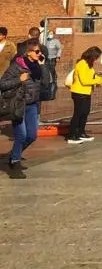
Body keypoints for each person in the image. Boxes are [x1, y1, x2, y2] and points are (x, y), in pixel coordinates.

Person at [1, 38, 46, 178]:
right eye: (37, 51)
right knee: (21, 135)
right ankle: (14, 164)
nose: (40, 54)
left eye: (40, 51)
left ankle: (14, 155)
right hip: (19, 104)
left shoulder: (37, 66)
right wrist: (18, 80)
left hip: (32, 104)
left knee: (32, 136)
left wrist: (42, 65)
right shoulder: (16, 66)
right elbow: (2, 84)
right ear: (28, 53)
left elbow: (45, 81)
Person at [68, 46, 102, 144]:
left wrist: (101, 80)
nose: (96, 59)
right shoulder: (82, 64)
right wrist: (99, 80)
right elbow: (85, 80)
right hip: (79, 92)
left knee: (85, 113)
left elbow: (92, 77)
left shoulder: (89, 64)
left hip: (86, 92)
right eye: (96, 57)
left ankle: (81, 132)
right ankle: (72, 135)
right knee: (78, 114)